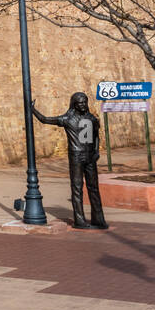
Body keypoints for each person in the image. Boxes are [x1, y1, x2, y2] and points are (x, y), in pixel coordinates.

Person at [32, 92, 109, 230]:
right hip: (76, 157)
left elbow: (96, 136)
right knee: (77, 188)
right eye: (80, 103)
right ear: (74, 104)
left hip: (90, 157)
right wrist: (33, 110)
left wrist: (97, 151)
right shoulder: (67, 118)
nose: (83, 105)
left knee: (94, 188)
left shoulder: (91, 118)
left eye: (85, 102)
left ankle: (98, 219)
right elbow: (45, 119)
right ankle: (79, 220)